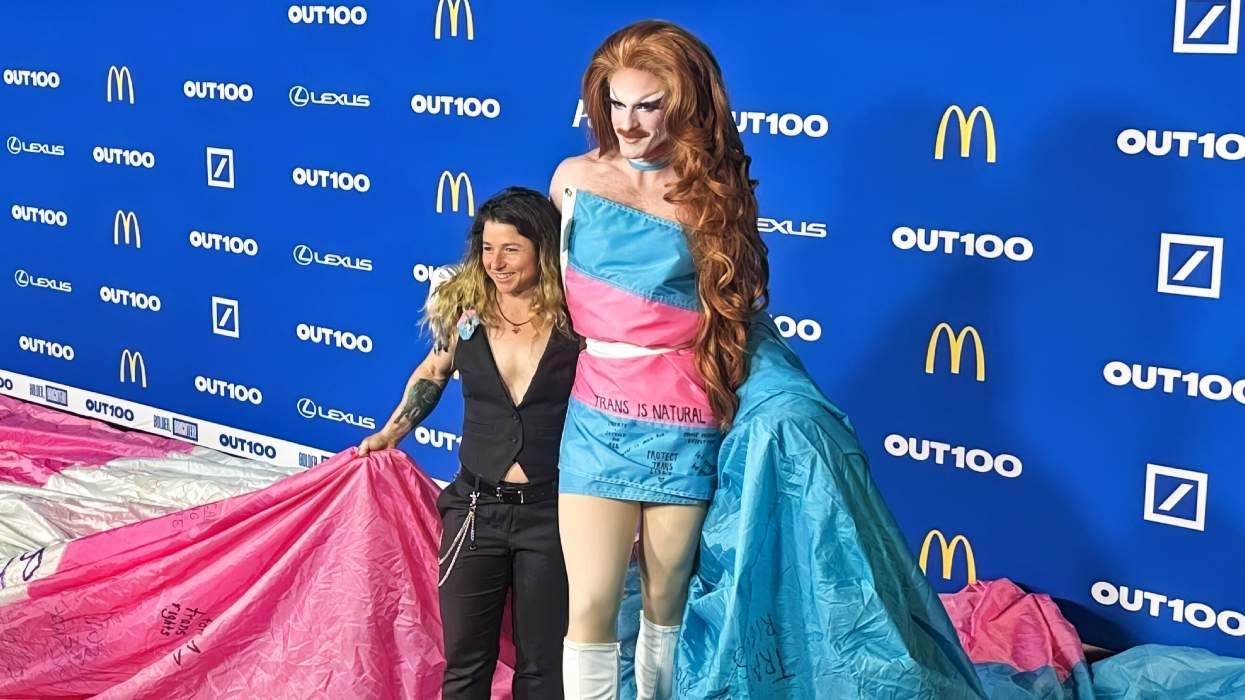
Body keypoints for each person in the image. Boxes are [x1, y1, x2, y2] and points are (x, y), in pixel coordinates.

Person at [550, 21, 986, 699]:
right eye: (615, 103)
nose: (629, 124)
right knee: (590, 609)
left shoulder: (710, 196)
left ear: (684, 102)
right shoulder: (571, 181)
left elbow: (741, 321)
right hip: (596, 422)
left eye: (648, 104)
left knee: (666, 608)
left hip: (682, 420)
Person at [358, 187, 578, 699]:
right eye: (487, 248)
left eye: (511, 249)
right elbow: (433, 374)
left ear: (541, 248)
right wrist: (390, 435)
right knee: (465, 661)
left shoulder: (576, 319)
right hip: (475, 511)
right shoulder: (464, 313)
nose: (496, 263)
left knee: (544, 666)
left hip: (554, 515)